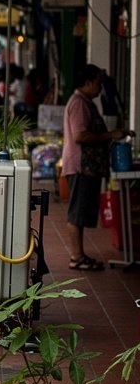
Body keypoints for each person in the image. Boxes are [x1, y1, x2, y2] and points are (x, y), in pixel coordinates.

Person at [62, 63, 133, 270]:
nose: (101, 87)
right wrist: (111, 135)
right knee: (76, 212)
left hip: (86, 166)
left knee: (81, 211)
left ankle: (80, 255)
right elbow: (80, 135)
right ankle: (76, 257)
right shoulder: (79, 103)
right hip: (80, 166)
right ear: (89, 82)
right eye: (99, 83)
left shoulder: (85, 102)